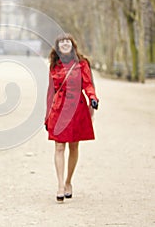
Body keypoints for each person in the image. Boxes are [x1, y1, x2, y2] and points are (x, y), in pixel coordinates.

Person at [44, 33, 98, 202]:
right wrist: (47, 116)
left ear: (73, 45)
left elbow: (88, 84)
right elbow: (50, 92)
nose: (65, 44)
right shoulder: (54, 66)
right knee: (59, 147)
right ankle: (60, 185)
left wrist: (93, 98)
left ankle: (68, 182)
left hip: (77, 108)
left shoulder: (82, 64)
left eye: (68, 42)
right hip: (59, 109)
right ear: (58, 47)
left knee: (73, 147)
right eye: (62, 42)